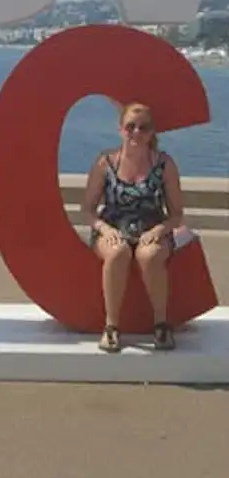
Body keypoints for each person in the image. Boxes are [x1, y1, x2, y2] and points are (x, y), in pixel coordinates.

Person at [82, 102, 185, 353]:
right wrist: (105, 229)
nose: (136, 133)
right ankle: (111, 327)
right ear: (121, 129)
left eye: (143, 127)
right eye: (130, 127)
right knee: (117, 253)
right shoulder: (105, 163)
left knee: (149, 256)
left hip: (152, 228)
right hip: (113, 227)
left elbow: (177, 215)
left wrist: (158, 231)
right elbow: (87, 210)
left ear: (152, 132)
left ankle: (161, 325)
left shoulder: (164, 164)